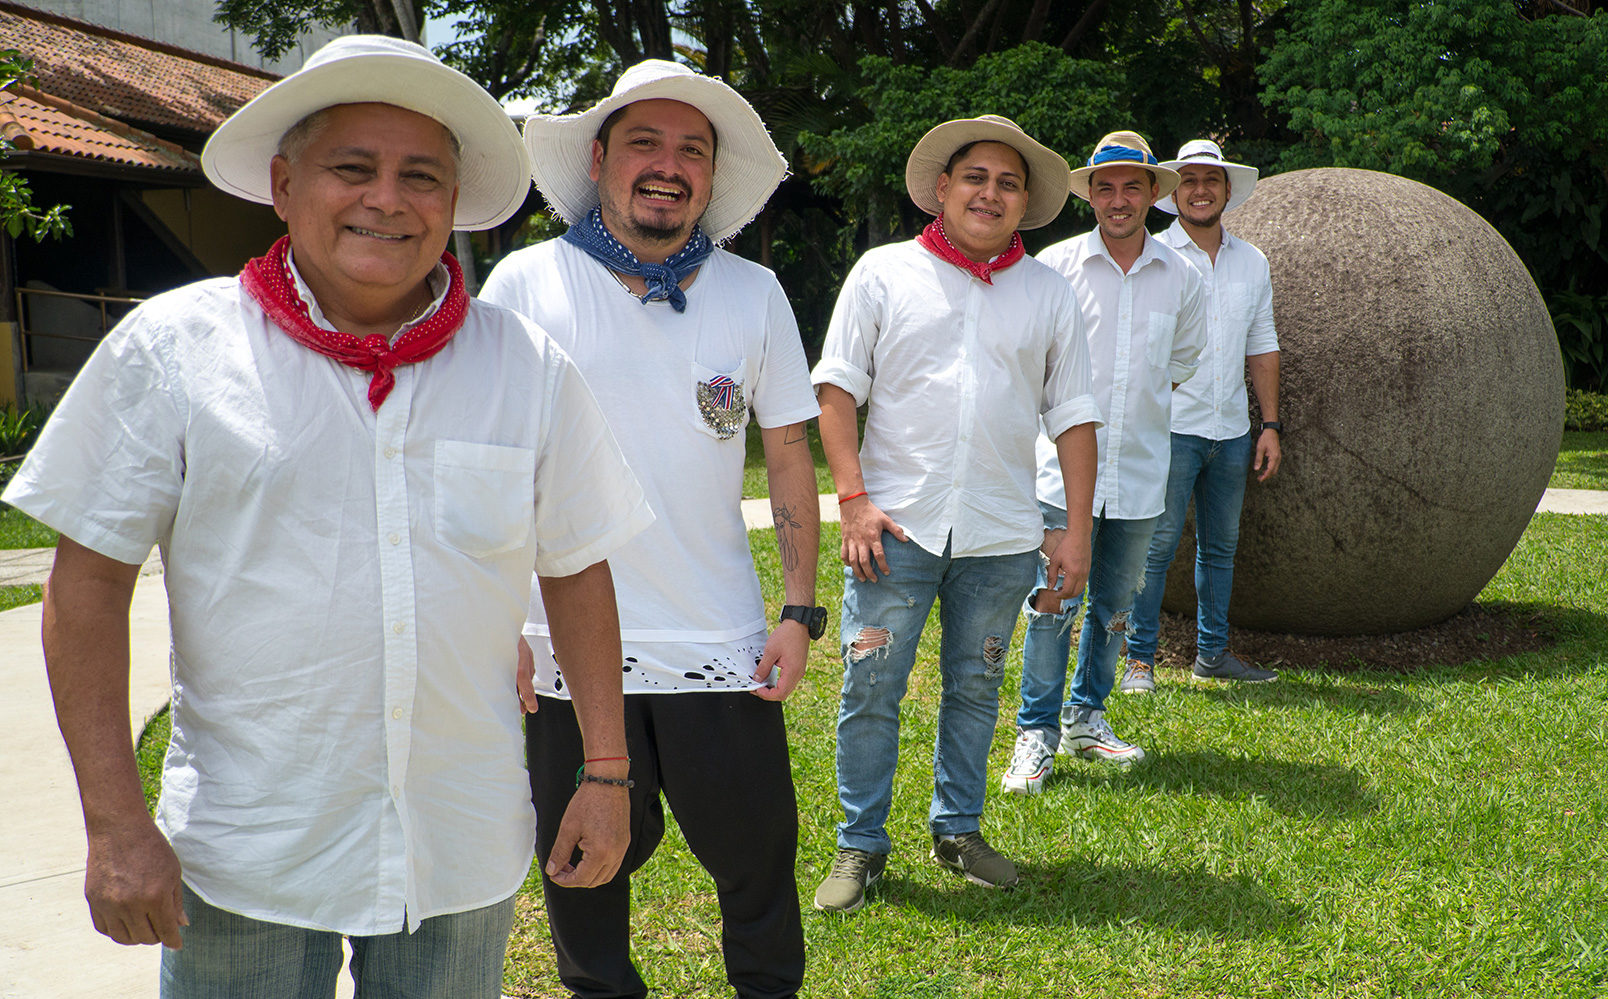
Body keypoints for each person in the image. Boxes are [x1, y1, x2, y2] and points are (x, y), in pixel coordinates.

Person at [1, 36, 652, 997]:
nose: (387, 199)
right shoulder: (176, 351)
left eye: (420, 175)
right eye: (353, 168)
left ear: (453, 201)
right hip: (250, 855)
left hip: (457, 845)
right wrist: (113, 822)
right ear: (283, 183)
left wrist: (606, 770)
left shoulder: (527, 368)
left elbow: (576, 567)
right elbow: (86, 588)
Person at [479, 59, 821, 999]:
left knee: (759, 871)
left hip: (719, 639)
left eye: (692, 150)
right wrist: (501, 618)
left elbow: (789, 451)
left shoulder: (755, 295)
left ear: (711, 177)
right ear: (597, 158)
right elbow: (491, 464)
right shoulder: (522, 284)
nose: (668, 166)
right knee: (582, 876)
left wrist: (799, 609)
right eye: (644, 142)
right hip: (561, 649)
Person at [810, 115, 1100, 912]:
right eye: (976, 176)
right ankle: (860, 844)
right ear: (942, 188)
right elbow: (837, 391)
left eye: (1009, 183)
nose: (991, 192)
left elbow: (1073, 414)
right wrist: (854, 500)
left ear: (1025, 203)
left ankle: (958, 829)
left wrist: (1074, 528)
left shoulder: (1047, 291)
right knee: (872, 685)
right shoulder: (882, 273)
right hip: (894, 530)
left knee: (976, 684)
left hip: (1002, 533)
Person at [1004, 130, 1205, 795]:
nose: (1118, 199)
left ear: (1154, 193)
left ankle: (1086, 715)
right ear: (1089, 193)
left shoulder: (1183, 276)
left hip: (1142, 473)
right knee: (1054, 601)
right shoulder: (1053, 267)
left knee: (1116, 605)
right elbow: (1028, 364)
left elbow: (1180, 366)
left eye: (1132, 186)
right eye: (1105, 185)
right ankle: (1035, 731)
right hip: (1060, 478)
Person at [1123, 138, 1282, 688]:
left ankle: (1212, 655)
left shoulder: (1252, 261)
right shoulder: (1154, 257)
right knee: (1155, 548)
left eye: (1210, 180)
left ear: (1227, 190)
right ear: (1173, 192)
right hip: (1168, 429)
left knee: (1220, 549)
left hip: (1233, 430)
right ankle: (1138, 660)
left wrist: (1270, 425)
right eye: (1188, 180)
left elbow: (1262, 343)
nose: (1199, 189)